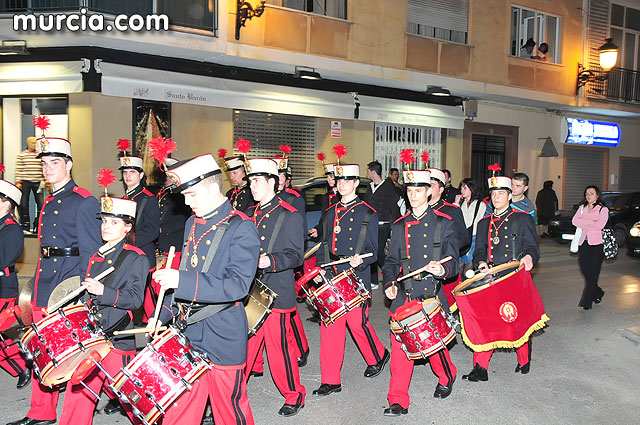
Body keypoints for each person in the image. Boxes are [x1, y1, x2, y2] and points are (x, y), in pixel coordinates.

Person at [151, 154, 258, 425]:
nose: (187, 202)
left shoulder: (242, 227)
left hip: (222, 332)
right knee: (179, 411)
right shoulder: (192, 223)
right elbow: (186, 272)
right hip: (188, 332)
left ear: (212, 187)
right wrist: (161, 315)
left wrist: (181, 281)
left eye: (192, 194)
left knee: (228, 413)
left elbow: (238, 286)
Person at [8, 131, 102, 425]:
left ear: (69, 165)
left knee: (72, 353)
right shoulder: (48, 200)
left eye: (55, 163)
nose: (48, 169)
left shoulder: (83, 200)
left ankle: (74, 418)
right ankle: (41, 412)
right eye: (45, 163)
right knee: (40, 348)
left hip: (68, 281)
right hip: (45, 280)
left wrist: (83, 292)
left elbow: (90, 251)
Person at [57, 195, 146, 425]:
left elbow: (136, 300)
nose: (106, 226)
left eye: (114, 222)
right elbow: (88, 297)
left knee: (133, 400)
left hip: (117, 337)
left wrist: (103, 291)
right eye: (104, 221)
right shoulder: (96, 256)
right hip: (93, 336)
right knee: (78, 390)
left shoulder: (135, 258)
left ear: (128, 227)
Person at [382, 168, 459, 416]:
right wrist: (389, 283)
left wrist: (441, 269)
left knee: (433, 348)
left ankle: (448, 375)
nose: (413, 195)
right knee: (401, 348)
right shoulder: (399, 225)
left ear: (428, 192)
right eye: (410, 190)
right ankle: (398, 399)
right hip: (404, 295)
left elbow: (454, 263)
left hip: (430, 296)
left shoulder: (443, 223)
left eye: (419, 190)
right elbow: (391, 262)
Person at [313, 163, 389, 397]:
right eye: (339, 180)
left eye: (348, 180)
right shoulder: (330, 212)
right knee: (330, 325)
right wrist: (320, 269)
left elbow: (374, 251)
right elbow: (324, 244)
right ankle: (331, 380)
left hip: (356, 273)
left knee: (357, 324)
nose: (342, 184)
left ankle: (378, 355)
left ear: (357, 183)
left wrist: (362, 261)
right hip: (333, 271)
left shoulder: (368, 212)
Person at [243, 157, 306, 417]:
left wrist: (269, 260)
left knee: (279, 349)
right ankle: (231, 393)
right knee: (243, 347)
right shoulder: (248, 214)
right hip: (249, 291)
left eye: (257, 180)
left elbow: (296, 255)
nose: (252, 186)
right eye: (250, 181)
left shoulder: (288, 215)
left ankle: (295, 394)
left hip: (275, 292)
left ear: (273, 182)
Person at [462, 174, 539, 382]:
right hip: (491, 277)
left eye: (501, 193)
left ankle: (524, 359)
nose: (496, 197)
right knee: (484, 321)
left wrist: (529, 257)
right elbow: (479, 250)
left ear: (509, 195)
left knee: (516, 319)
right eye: (494, 194)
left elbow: (532, 246)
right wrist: (481, 263)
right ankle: (480, 367)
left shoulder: (522, 218)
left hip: (514, 276)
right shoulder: (484, 222)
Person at [0, 175, 30, 389]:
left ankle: (21, 367)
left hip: (4, 287)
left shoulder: (11, 228)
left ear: (6, 202)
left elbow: (4, 259)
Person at [364, 160, 400, 289]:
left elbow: (394, 208)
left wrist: (394, 226)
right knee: (370, 252)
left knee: (379, 253)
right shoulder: (369, 187)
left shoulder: (388, 187)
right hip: (370, 225)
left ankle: (391, 276)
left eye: (368, 170)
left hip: (383, 224)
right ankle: (373, 281)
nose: (366, 172)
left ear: (373, 172)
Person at [120, 155, 160, 269]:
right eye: (125, 172)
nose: (128, 175)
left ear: (141, 175)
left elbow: (152, 231)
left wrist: (127, 242)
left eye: (132, 172)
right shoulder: (123, 199)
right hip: (125, 254)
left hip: (141, 254)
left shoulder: (148, 198)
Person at [572, 185, 608, 310]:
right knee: (585, 271)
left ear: (597, 195)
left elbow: (600, 225)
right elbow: (575, 221)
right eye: (587, 193)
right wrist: (591, 222)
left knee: (593, 274)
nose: (588, 196)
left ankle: (586, 302)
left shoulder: (602, 209)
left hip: (597, 244)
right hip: (584, 243)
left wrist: (585, 222)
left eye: (591, 193)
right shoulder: (582, 208)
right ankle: (598, 292)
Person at [15, 136, 45, 232]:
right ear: (27, 143)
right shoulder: (22, 155)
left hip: (38, 181)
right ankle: (25, 225)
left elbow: (44, 168)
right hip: (25, 181)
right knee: (23, 203)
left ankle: (38, 225)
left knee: (41, 204)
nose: (34, 144)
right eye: (32, 142)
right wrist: (18, 182)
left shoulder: (40, 155)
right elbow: (18, 169)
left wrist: (46, 180)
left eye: (35, 142)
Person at [458, 178, 486, 272]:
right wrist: (456, 203)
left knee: (469, 266)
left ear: (471, 189)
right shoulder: (460, 203)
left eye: (465, 188)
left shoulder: (480, 204)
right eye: (461, 188)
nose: (462, 191)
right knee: (459, 265)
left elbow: (479, 223)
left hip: (473, 237)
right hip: (461, 237)